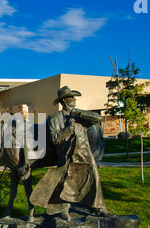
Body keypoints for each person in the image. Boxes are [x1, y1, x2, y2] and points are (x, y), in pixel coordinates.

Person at [29, 86, 109, 220]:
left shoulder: (80, 115)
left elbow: (98, 119)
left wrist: (78, 114)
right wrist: (68, 129)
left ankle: (99, 207)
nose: (74, 100)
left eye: (74, 97)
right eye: (71, 98)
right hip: (65, 155)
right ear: (64, 101)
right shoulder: (55, 118)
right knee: (62, 181)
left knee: (94, 176)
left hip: (84, 154)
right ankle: (62, 209)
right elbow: (55, 139)